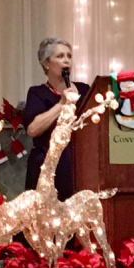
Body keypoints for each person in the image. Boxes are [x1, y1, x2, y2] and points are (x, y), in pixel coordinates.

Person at [22, 37, 89, 201]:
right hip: (47, 168)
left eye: (69, 56)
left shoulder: (84, 90)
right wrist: (61, 104)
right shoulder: (37, 93)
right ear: (46, 63)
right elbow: (32, 129)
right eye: (59, 56)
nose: (66, 60)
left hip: (79, 167)